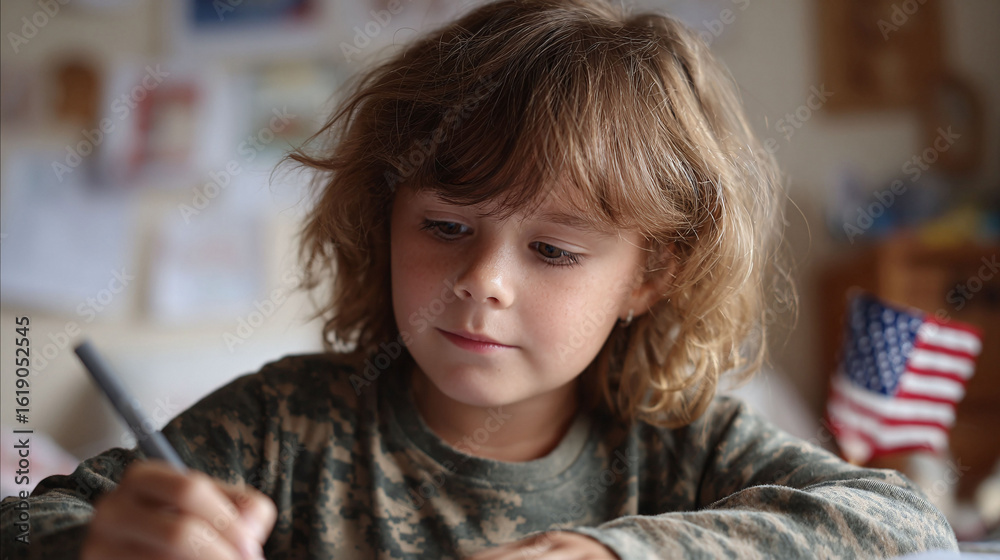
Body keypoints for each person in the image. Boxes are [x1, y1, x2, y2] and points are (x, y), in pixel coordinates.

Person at [1, 0, 960, 558]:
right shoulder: (284, 426)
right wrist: (101, 543)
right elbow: (30, 519)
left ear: (650, 274)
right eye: (447, 227)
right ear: (384, 222)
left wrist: (616, 551)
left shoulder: (684, 448)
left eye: (554, 251)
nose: (483, 281)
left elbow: (910, 526)